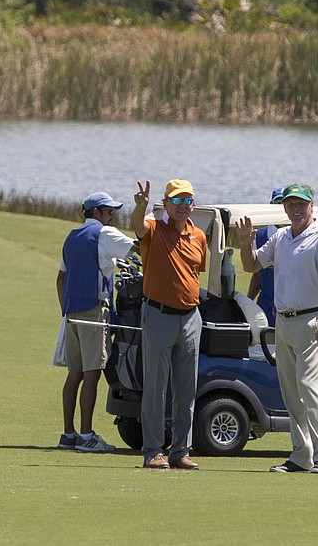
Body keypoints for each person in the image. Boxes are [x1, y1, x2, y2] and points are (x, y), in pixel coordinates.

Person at [238, 184, 318, 475]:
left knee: (309, 389)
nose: (295, 209)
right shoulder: (281, 236)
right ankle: (301, 455)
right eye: (290, 204)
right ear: (284, 207)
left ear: (311, 205)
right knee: (291, 392)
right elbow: (250, 265)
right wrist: (246, 241)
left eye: (301, 204)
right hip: (282, 321)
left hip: (309, 323)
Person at [131, 179, 207, 470]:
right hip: (158, 314)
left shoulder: (198, 236)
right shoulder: (153, 228)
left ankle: (180, 451)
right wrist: (140, 207)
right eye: (177, 200)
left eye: (187, 200)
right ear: (165, 203)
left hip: (190, 317)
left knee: (186, 389)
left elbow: (194, 273)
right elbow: (138, 226)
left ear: (193, 204)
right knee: (156, 388)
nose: (182, 206)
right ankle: (152, 450)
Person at [57, 192, 137, 452]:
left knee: (75, 374)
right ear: (95, 213)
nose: (112, 215)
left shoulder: (72, 237)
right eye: (108, 211)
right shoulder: (104, 234)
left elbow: (61, 278)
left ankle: (68, 435)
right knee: (92, 374)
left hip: (72, 313)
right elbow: (138, 247)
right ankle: (86, 436)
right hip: (94, 309)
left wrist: (66, 310)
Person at [246, 186, 284, 326]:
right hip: (265, 305)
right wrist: (248, 302)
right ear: (271, 205)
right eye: (279, 202)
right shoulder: (260, 235)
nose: (282, 206)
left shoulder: (297, 235)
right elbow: (256, 274)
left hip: (290, 307)